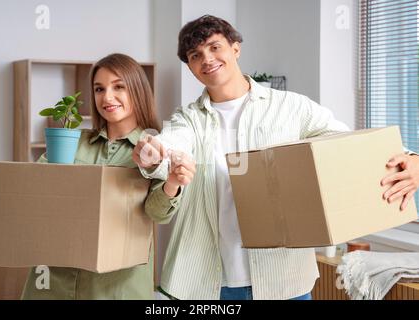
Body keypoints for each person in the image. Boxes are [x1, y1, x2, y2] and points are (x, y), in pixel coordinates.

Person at [132, 15, 419, 300]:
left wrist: (410, 156)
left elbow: (347, 143)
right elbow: (170, 145)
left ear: (235, 48)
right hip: (207, 284)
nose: (207, 58)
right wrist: (153, 153)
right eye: (196, 55)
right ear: (191, 67)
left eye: (215, 47)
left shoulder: (292, 107)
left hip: (284, 280)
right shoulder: (188, 119)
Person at [0, 53, 195, 299]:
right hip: (51, 287)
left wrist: (172, 182)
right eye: (99, 89)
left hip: (115, 290)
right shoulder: (72, 143)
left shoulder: (154, 148)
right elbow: (29, 199)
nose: (107, 97)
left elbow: (157, 213)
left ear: (138, 90)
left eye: (118, 86)